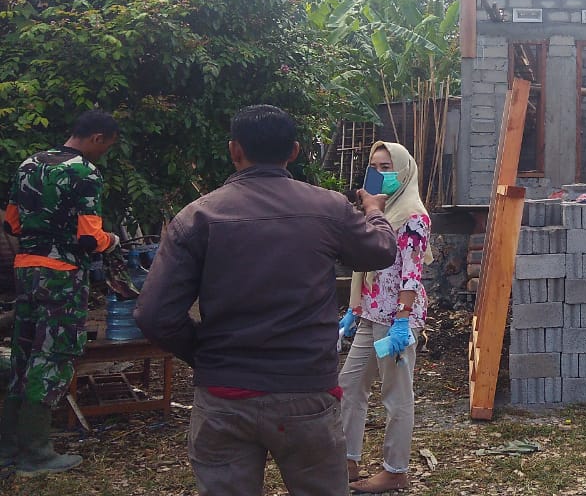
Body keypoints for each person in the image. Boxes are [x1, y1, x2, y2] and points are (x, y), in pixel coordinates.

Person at [134, 105, 396, 496]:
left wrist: (207, 356)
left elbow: (154, 315)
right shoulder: (329, 208)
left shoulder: (197, 217)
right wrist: (374, 213)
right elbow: (380, 252)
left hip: (224, 395)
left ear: (234, 150)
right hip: (306, 392)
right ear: (294, 151)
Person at [0, 110, 122, 476]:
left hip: (26, 270)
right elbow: (89, 238)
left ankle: (8, 447)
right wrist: (112, 240)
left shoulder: (29, 165)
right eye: (106, 146)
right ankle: (36, 454)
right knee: (52, 356)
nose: (104, 154)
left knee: (24, 353)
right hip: (62, 276)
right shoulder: (84, 172)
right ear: (97, 138)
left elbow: (11, 223)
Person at [338, 141, 431, 494]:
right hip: (371, 315)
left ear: (403, 172)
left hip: (396, 321)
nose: (378, 174)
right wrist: (354, 309)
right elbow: (366, 263)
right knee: (349, 385)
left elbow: (411, 273)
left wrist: (403, 320)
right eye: (374, 167)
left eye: (386, 168)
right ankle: (348, 460)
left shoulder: (413, 217)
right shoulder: (381, 213)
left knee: (396, 395)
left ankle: (395, 470)